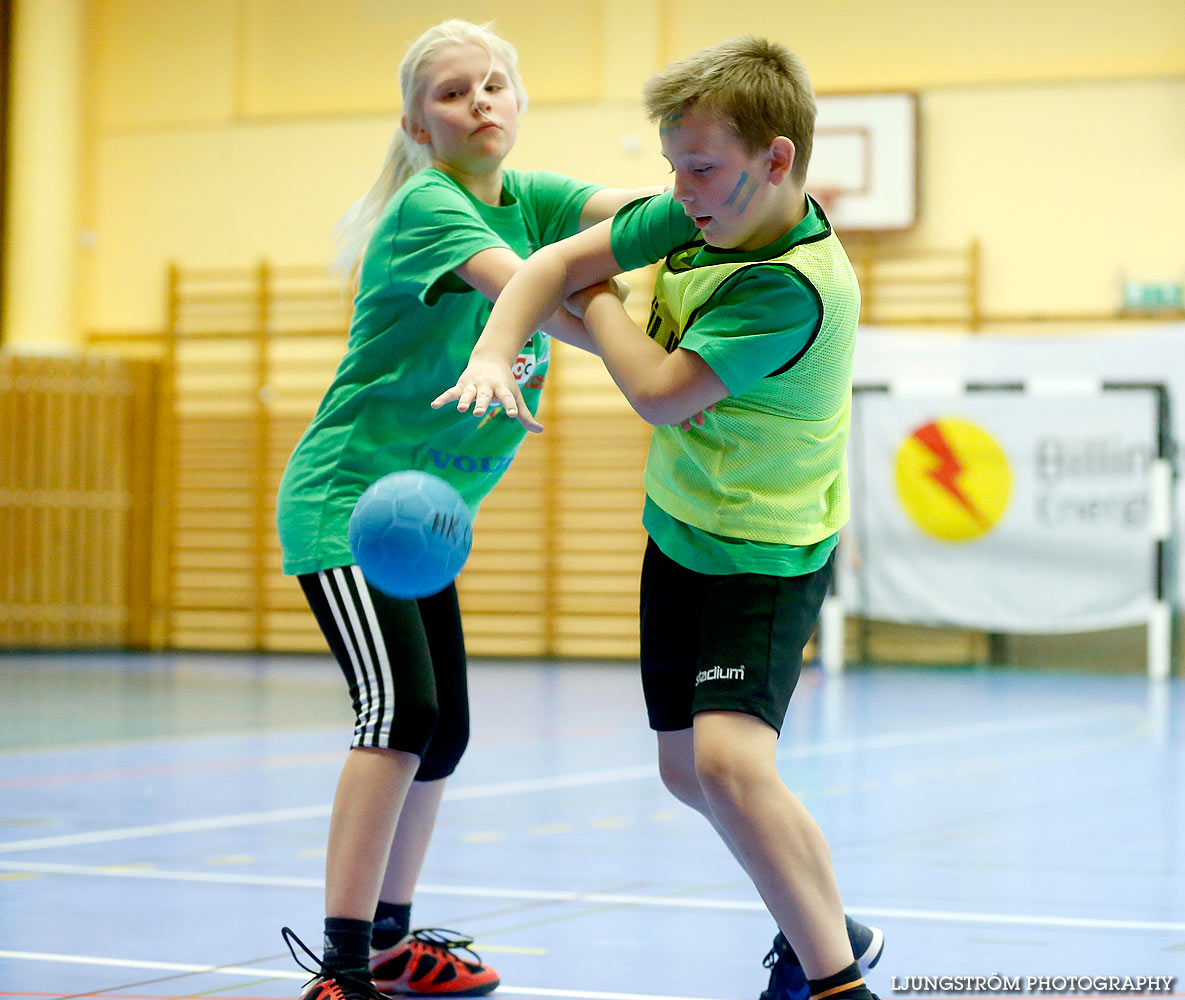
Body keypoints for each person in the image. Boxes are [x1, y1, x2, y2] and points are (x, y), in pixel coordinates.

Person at [434, 36, 885, 1000]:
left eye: (702, 167)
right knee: (688, 772)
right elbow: (551, 258)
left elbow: (655, 391)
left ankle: (835, 980)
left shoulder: (789, 286)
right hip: (682, 527)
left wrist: (595, 299)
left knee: (728, 761)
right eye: (673, 166)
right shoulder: (698, 205)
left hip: (765, 549)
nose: (679, 190)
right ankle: (827, 925)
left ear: (777, 159)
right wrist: (494, 349)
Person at [275, 19, 664, 1000]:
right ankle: (343, 966)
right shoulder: (427, 210)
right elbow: (542, 302)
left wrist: (731, 198)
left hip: (425, 519)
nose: (480, 100)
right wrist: (647, 341)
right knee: (398, 710)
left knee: (441, 730)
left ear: (520, 104)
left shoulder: (540, 200)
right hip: (347, 505)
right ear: (417, 121)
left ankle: (397, 942)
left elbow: (644, 213)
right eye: (453, 92)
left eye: (495, 84)